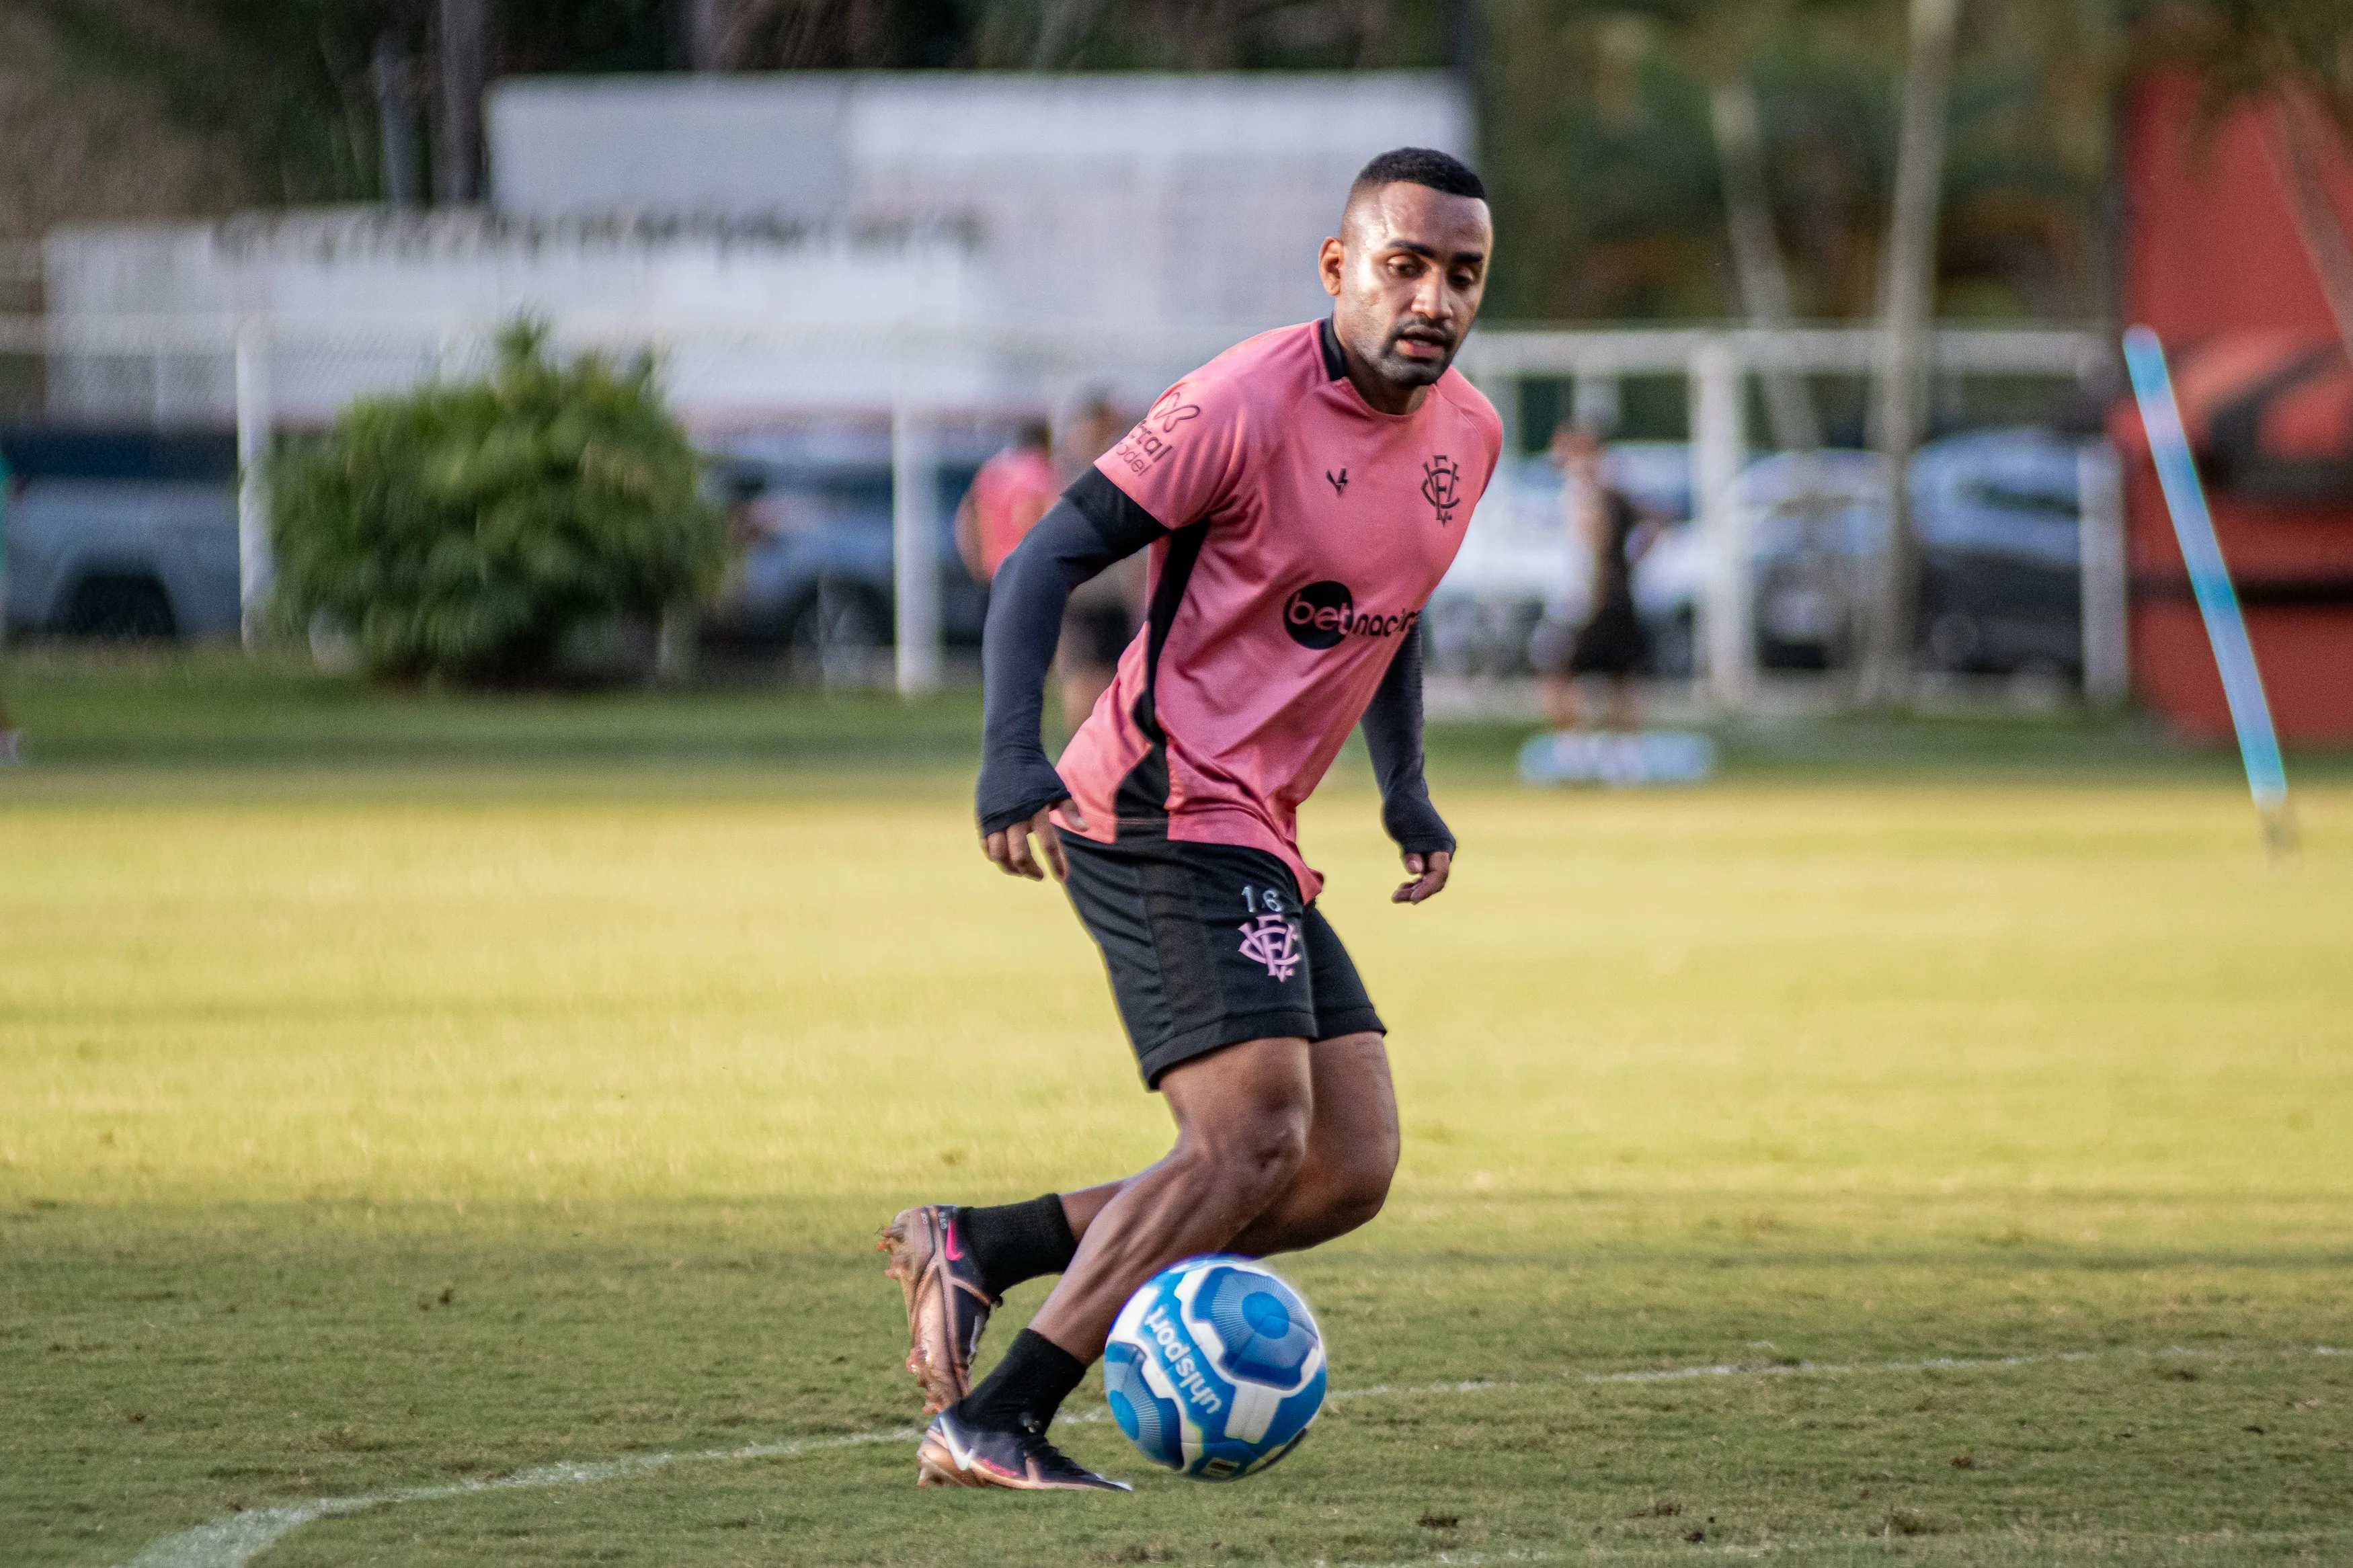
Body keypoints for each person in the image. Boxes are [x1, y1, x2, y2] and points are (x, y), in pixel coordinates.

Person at [879, 147, 1501, 1492]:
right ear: (1338, 269)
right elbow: (1044, 553)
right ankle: (996, 1414)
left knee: (1341, 1162)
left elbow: (1391, 605)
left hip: (1261, 822)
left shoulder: (1470, 435)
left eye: (1462, 274)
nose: (1433, 298)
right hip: (1157, 804)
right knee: (1248, 1134)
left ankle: (980, 1240)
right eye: (1405, 265)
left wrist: (1400, 782)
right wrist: (1009, 760)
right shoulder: (1238, 401)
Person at [1531, 422, 1658, 732]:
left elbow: (1599, 539)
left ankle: (1579, 749)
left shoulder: (1595, 491)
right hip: (1607, 597)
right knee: (1617, 679)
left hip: (1585, 601)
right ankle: (1613, 753)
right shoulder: (1602, 490)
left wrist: (1606, 574)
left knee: (1561, 673)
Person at [1051, 394, 1143, 731]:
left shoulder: (1100, 463)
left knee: (1105, 676)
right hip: (1085, 589)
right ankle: (1080, 748)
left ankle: (1092, 749)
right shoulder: (1079, 468)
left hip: (1107, 590)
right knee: (1083, 676)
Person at [954, 420, 1061, 587]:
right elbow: (1027, 513)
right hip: (1025, 567)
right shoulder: (1033, 467)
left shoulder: (992, 470)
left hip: (1003, 573)